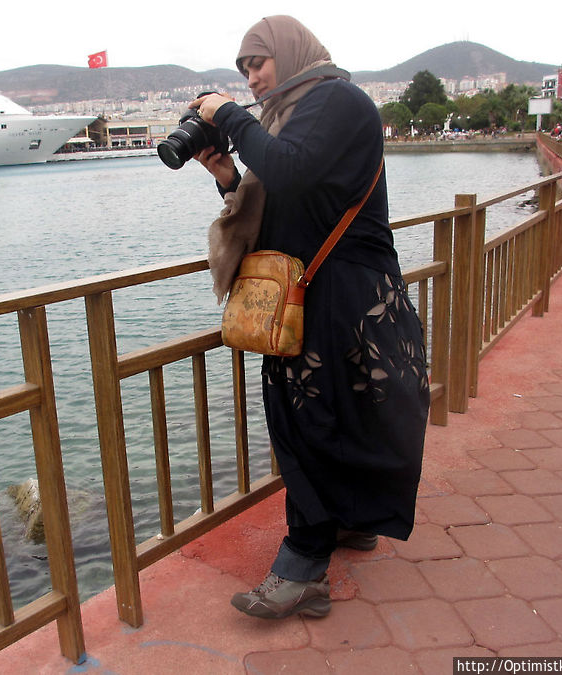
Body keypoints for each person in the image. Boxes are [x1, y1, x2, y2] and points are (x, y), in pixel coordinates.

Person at [189, 15, 430, 619]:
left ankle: (302, 566)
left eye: (259, 62)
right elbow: (285, 207)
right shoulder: (291, 116)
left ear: (291, 54)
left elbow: (291, 170)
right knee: (327, 420)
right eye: (243, 68)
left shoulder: (338, 100)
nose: (251, 76)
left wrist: (227, 115)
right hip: (316, 294)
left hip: (343, 297)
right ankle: (350, 524)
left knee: (313, 427)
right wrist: (228, 178)